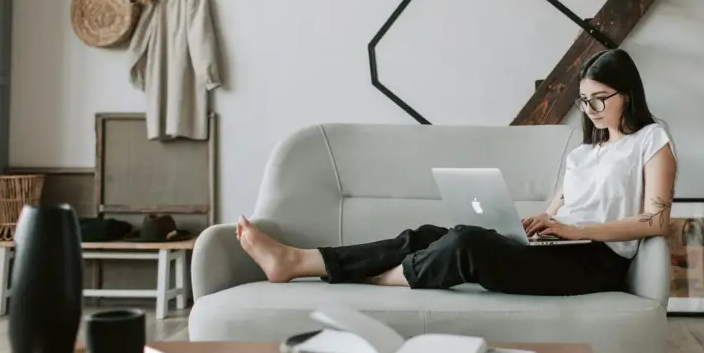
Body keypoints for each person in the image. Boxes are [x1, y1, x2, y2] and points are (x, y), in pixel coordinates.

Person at [236, 48, 677, 296]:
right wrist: (537, 225)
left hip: (593, 264)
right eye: (584, 100)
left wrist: (575, 231)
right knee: (428, 234)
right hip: (557, 250)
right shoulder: (583, 153)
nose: (591, 110)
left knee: (465, 244)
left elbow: (656, 222)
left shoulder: (651, 141)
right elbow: (554, 211)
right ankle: (297, 260)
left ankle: (374, 277)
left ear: (628, 93)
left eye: (600, 98)